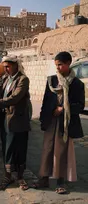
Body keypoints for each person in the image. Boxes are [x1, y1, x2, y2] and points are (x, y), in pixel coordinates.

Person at [33, 51, 85, 194]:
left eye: (60, 65)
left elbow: (80, 106)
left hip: (65, 124)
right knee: (47, 150)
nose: (58, 68)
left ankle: (60, 182)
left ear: (68, 63)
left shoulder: (76, 84)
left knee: (61, 152)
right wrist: (44, 118)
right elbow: (45, 101)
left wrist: (63, 109)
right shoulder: (51, 81)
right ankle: (43, 178)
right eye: (56, 65)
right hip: (51, 121)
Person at [0, 55, 31, 191]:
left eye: (8, 66)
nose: (6, 69)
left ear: (16, 65)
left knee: (20, 147)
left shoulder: (23, 79)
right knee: (7, 148)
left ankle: (20, 176)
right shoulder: (5, 79)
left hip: (18, 119)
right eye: (4, 67)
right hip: (6, 119)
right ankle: (8, 175)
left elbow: (14, 98)